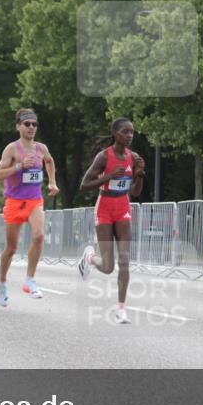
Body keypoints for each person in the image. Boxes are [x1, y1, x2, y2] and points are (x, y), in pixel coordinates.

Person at [76, 117, 146, 324]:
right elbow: (84, 185)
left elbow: (135, 191)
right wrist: (109, 177)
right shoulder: (103, 157)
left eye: (132, 132)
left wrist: (140, 175)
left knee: (124, 261)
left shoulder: (133, 157)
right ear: (115, 134)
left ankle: (121, 309)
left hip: (123, 207)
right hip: (105, 208)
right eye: (125, 132)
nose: (130, 135)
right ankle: (89, 258)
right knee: (107, 266)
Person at [0, 108, 60, 307]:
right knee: (11, 248)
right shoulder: (12, 149)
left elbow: (49, 161)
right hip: (14, 201)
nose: (31, 127)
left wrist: (52, 182)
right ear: (18, 126)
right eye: (27, 124)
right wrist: (20, 166)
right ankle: (2, 282)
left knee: (39, 236)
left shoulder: (41, 148)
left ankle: (29, 279)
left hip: (34, 200)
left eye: (34, 124)